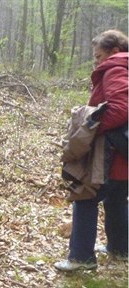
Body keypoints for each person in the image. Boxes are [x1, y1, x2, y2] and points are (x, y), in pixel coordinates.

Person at [54, 29, 128, 271]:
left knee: (85, 197)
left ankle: (81, 258)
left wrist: (90, 128)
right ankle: (121, 249)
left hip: (111, 155)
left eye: (98, 56)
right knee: (116, 199)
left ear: (114, 52)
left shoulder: (116, 69)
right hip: (121, 155)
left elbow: (120, 109)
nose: (96, 61)